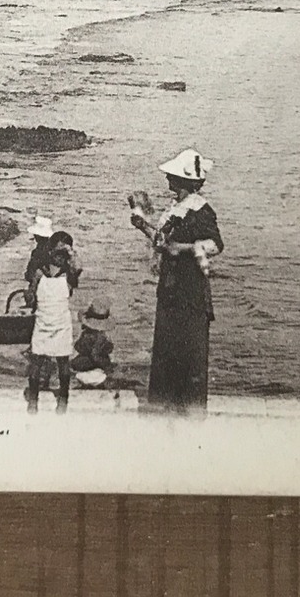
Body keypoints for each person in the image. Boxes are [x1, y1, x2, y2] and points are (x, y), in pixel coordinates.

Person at [129, 148, 223, 414]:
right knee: (169, 348)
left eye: (172, 176)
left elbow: (216, 244)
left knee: (187, 350)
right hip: (171, 288)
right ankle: (168, 406)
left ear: (182, 181)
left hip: (189, 290)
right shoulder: (178, 208)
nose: (168, 179)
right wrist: (144, 226)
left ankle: (185, 410)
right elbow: (162, 243)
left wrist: (184, 249)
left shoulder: (200, 210)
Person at [24, 231, 80, 413]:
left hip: (61, 322)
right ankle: (33, 400)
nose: (60, 258)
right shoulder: (40, 273)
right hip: (43, 320)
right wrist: (30, 297)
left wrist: (71, 253)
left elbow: (78, 267)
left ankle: (63, 399)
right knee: (37, 361)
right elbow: (31, 297)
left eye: (64, 255)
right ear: (50, 252)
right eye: (58, 253)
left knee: (63, 361)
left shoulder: (69, 275)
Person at [71, 299, 115, 387]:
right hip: (99, 364)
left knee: (77, 363)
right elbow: (105, 351)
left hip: (88, 363)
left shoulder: (87, 334)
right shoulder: (103, 337)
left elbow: (78, 347)